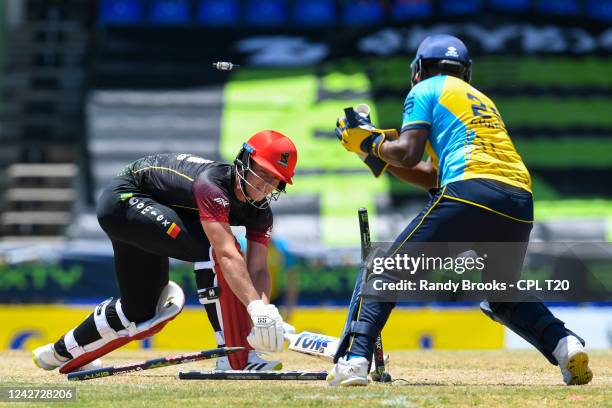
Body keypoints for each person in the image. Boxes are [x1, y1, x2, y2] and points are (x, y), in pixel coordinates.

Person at [328, 35, 592, 386]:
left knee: (387, 270)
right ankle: (565, 344)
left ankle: (355, 361)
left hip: (470, 191)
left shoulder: (426, 89)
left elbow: (407, 153)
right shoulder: (480, 100)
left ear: (420, 68)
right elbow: (430, 175)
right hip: (518, 201)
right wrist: (369, 151)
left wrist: (370, 141)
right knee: (502, 295)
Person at [33, 130, 298, 373]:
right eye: (262, 174)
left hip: (149, 210)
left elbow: (259, 268)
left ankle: (56, 353)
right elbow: (227, 254)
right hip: (124, 199)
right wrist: (254, 309)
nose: (265, 187)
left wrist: (266, 313)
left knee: (141, 312)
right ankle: (233, 357)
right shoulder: (213, 186)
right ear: (244, 161)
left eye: (276, 181)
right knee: (214, 250)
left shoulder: (261, 212)